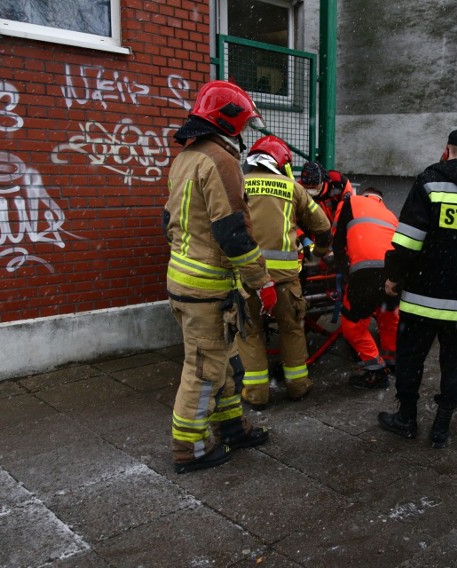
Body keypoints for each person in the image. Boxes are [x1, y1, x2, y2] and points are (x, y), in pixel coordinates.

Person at [162, 80, 274, 473]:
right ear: (229, 121)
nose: (244, 133)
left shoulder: (186, 158)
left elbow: (168, 221)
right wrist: (262, 281)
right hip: (207, 289)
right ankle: (189, 448)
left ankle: (230, 428)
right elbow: (233, 232)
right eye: (243, 124)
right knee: (203, 369)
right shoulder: (221, 160)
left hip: (188, 282)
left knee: (226, 363)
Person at [377, 128, 457, 449]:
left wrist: (394, 277)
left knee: (410, 359)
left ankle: (407, 419)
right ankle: (441, 427)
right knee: (453, 362)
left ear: (445, 151)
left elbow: (407, 242)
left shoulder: (428, 184)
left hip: (420, 298)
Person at [238, 135, 332, 408]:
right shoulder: (291, 187)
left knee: (250, 332)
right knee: (291, 330)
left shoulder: (237, 183)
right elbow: (323, 226)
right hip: (285, 282)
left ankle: (256, 394)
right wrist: (321, 252)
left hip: (247, 279)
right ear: (281, 162)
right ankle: (298, 386)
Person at [330, 186, 400, 389]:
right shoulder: (390, 215)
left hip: (365, 275)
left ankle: (375, 372)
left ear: (365, 195)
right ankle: (392, 361)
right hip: (392, 275)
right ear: (380, 199)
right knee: (389, 317)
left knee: (353, 325)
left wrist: (344, 272)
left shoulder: (350, 202)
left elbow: (336, 241)